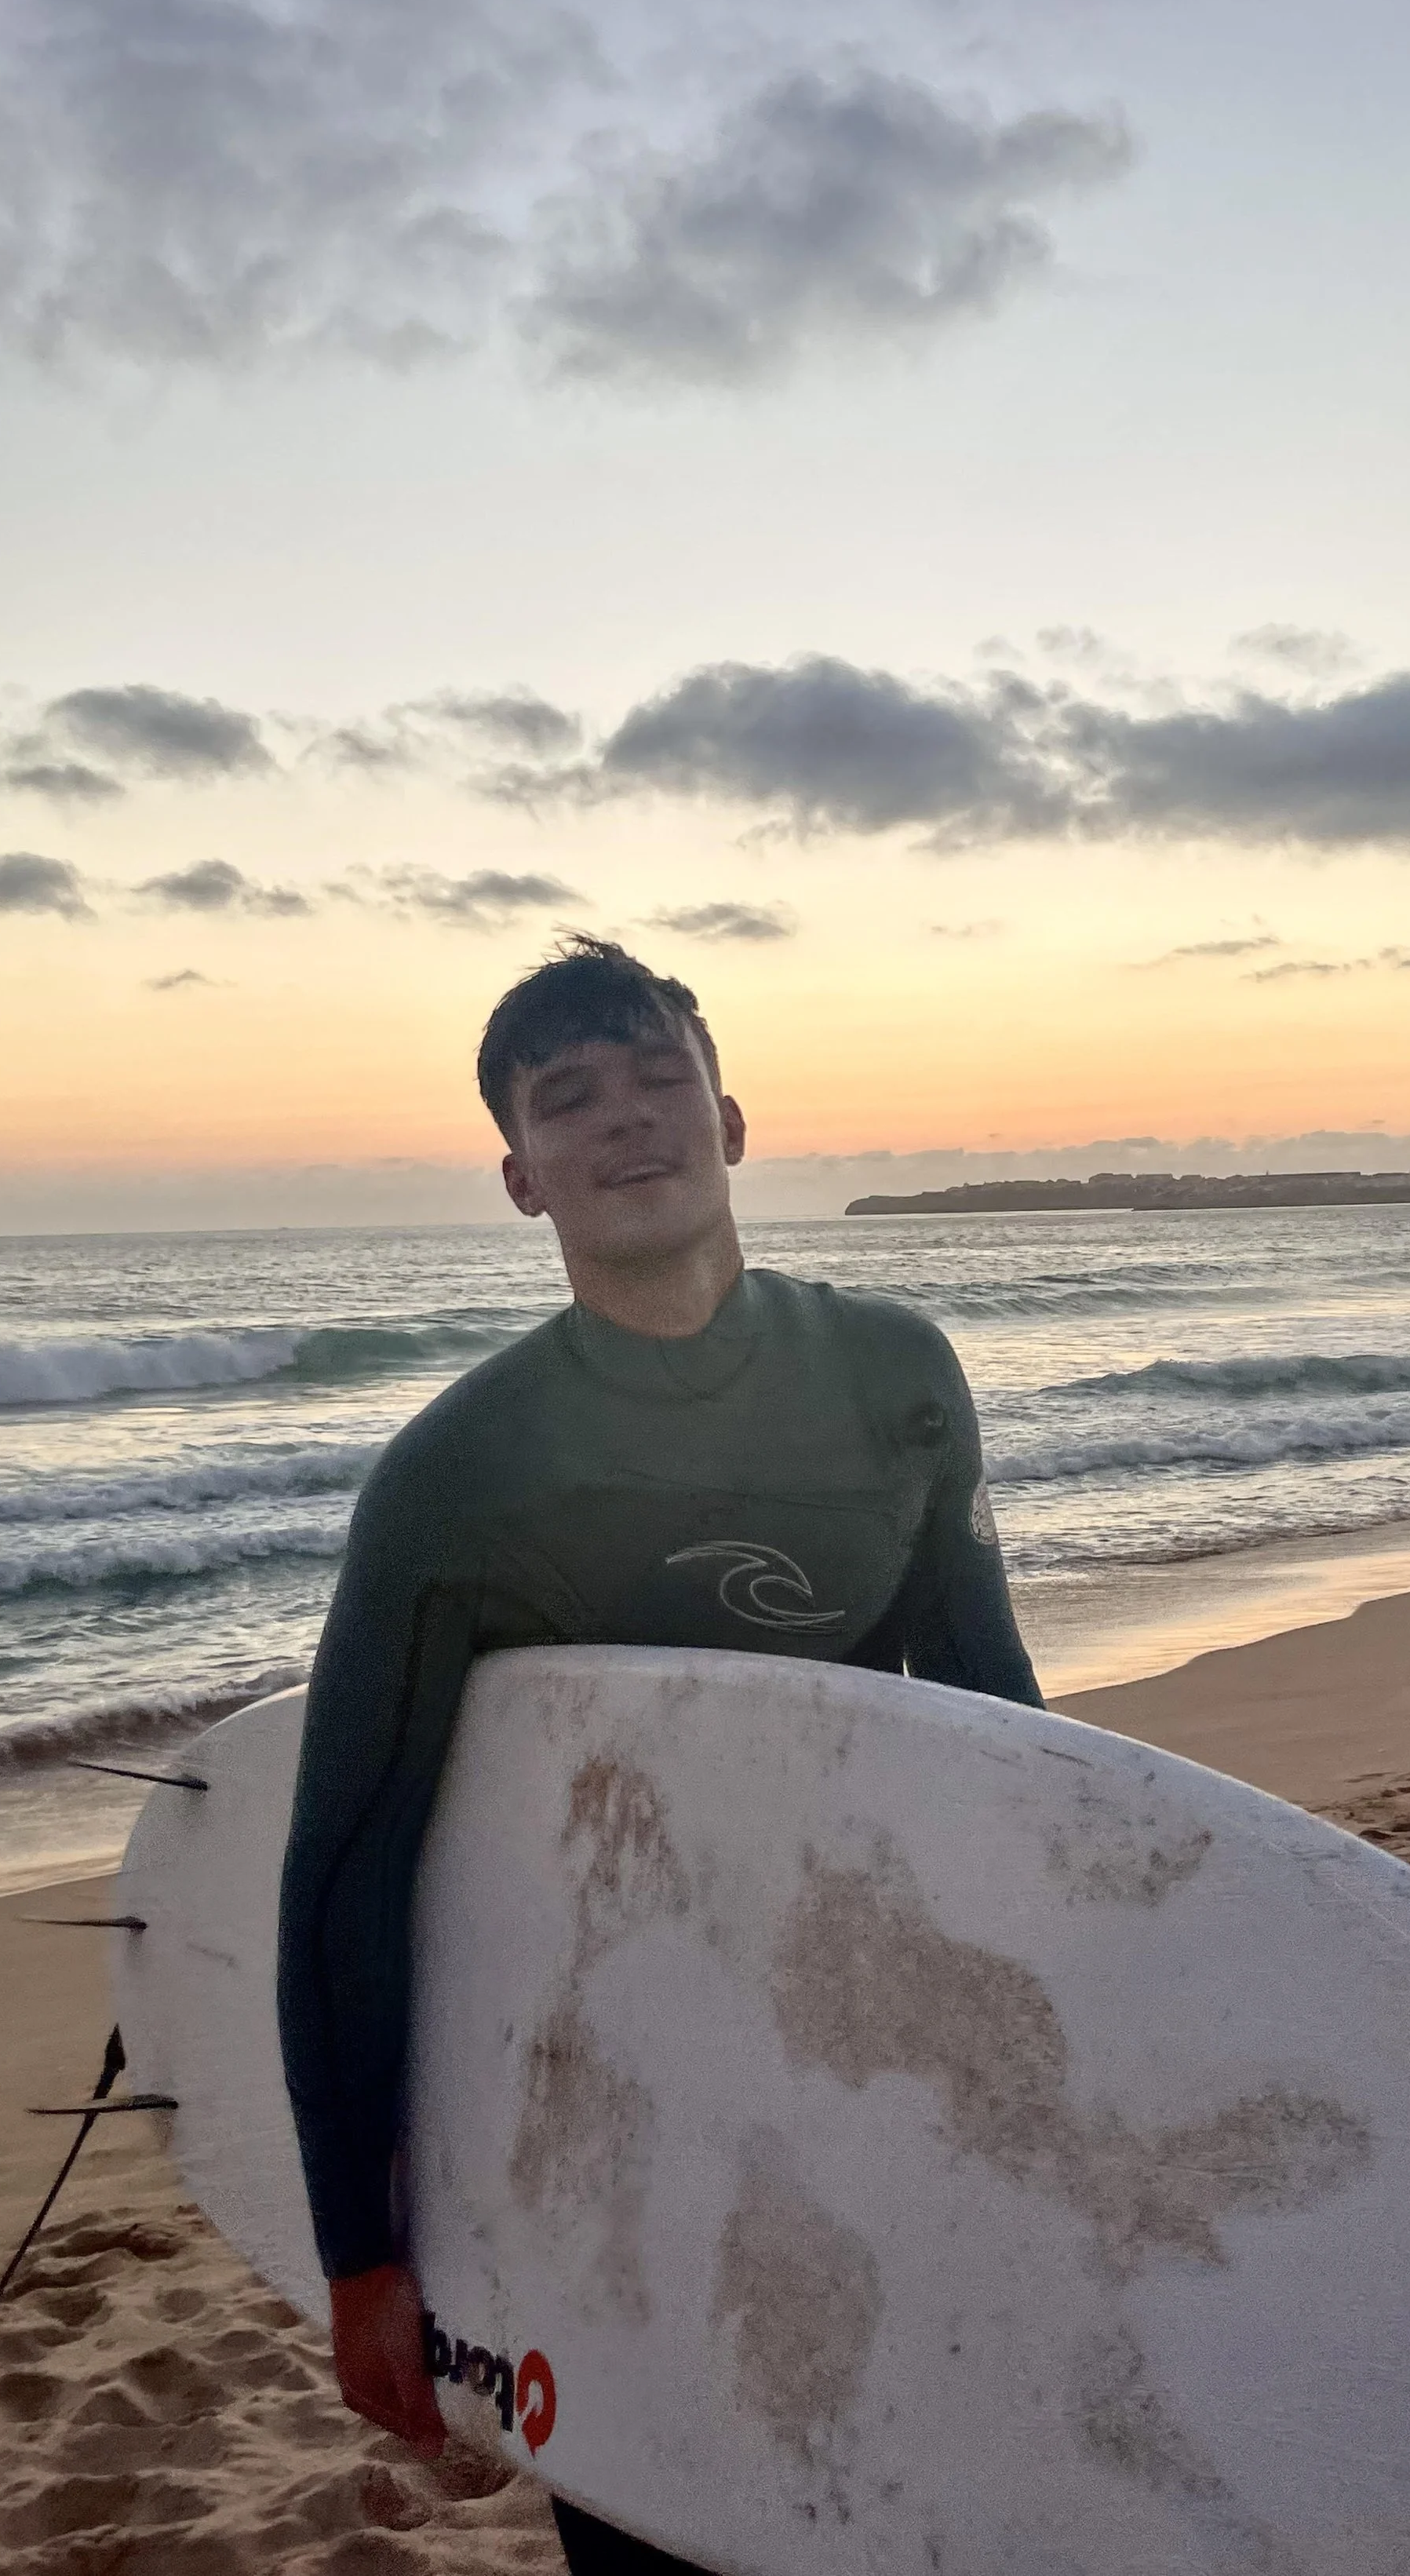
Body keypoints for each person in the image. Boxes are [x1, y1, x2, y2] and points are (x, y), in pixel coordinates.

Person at [277, 936, 1043, 2575]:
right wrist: (363, 2254)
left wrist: (1037, 2076)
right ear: (517, 1174)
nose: (624, 1122)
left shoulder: (892, 1377)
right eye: (567, 1099)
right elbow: (348, 1867)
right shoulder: (455, 1477)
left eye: (656, 1080)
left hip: (868, 2054)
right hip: (606, 2099)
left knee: (917, 2505)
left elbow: (994, 1737)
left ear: (732, 1117)